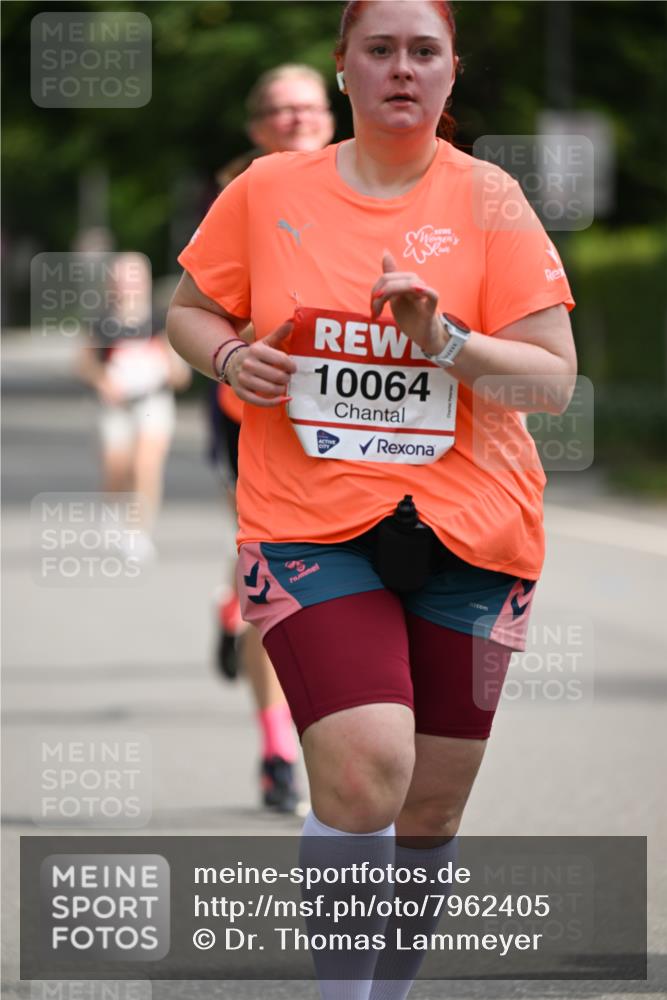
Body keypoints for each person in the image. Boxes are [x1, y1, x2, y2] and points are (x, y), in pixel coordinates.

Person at [168, 2, 576, 996]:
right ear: (342, 69)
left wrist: (442, 338)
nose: (402, 69)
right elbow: (189, 310)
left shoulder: (490, 199)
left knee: (429, 812)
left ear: (450, 73)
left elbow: (551, 381)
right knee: (363, 770)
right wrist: (227, 353)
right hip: (310, 524)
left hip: (475, 531)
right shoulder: (266, 192)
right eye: (380, 50)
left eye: (423, 52)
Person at [208, 64, 335, 814]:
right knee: (274, 583)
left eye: (307, 107)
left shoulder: (378, 189)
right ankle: (277, 750)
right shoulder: (241, 193)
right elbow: (201, 307)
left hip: (361, 422)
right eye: (278, 110)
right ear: (257, 126)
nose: (294, 120)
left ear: (333, 111)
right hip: (254, 411)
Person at [78, 251, 191, 558]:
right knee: (117, 465)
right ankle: (112, 513)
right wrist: (103, 381)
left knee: (146, 464)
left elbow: (179, 370)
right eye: (123, 278)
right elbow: (85, 364)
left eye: (135, 278)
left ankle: (139, 531)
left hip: (153, 401)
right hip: (115, 405)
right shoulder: (102, 321)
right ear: (112, 283)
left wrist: (175, 370)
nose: (129, 285)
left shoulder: (158, 318)